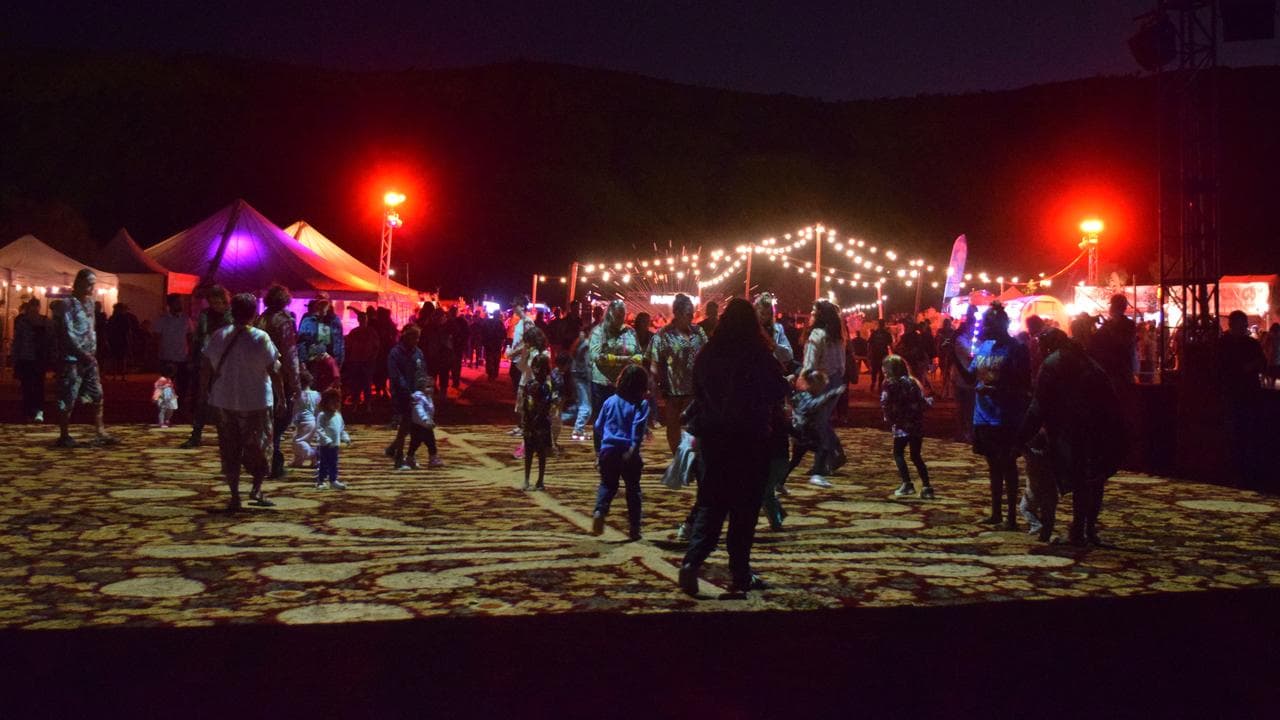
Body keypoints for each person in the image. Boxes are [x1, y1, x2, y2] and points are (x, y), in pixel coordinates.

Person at [679, 298, 790, 597]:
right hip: (750, 439)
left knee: (711, 504)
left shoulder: (707, 354)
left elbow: (698, 393)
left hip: (714, 439)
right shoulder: (757, 353)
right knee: (744, 509)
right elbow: (778, 389)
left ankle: (691, 563)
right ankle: (740, 572)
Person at [1019, 329, 1125, 544]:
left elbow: (1039, 405)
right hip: (1098, 427)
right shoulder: (1087, 361)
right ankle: (1088, 529)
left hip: (1072, 429)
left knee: (1079, 480)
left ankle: (1077, 531)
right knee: (1093, 481)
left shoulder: (1052, 363)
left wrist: (1022, 435)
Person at [954, 302, 1031, 530]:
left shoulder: (1017, 349)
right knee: (992, 465)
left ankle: (1011, 516)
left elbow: (1024, 385)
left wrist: (996, 390)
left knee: (1008, 465)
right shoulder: (983, 347)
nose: (984, 327)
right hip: (983, 414)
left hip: (1006, 415)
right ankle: (996, 512)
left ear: (1001, 324)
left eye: (988, 323)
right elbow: (970, 378)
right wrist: (953, 356)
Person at [203, 292, 282, 511]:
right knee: (260, 447)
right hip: (256, 401)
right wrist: (282, 398)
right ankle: (256, 488)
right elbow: (274, 370)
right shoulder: (260, 338)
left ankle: (235, 495)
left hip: (224, 400)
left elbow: (206, 368)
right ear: (254, 313)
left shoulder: (219, 335)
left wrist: (203, 396)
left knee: (229, 449)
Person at [52, 270, 117, 447]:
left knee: (97, 394)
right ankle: (64, 434)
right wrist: (81, 353)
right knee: (68, 395)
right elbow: (67, 331)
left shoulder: (89, 304)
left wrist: (93, 351)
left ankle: (100, 431)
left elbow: (91, 329)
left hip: (89, 357)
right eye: (89, 283)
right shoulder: (67, 304)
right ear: (78, 282)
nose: (92, 287)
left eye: (93, 284)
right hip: (72, 358)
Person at [590, 364, 651, 540]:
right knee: (633, 489)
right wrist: (633, 449)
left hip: (608, 450)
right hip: (628, 451)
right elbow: (637, 430)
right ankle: (634, 528)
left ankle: (600, 511)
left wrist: (600, 451)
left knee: (607, 485)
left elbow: (598, 427)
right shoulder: (641, 404)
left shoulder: (610, 401)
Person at [649, 294, 709, 455]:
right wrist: (656, 384)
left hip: (695, 389)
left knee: (695, 426)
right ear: (677, 313)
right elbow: (654, 363)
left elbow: (709, 354)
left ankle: (692, 456)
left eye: (692, 314)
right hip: (672, 390)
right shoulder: (663, 334)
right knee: (674, 426)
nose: (691, 317)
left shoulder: (698, 332)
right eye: (687, 314)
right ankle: (678, 457)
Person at [255, 284, 300, 478]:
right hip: (279, 376)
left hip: (259, 376)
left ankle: (264, 460)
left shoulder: (260, 319)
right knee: (279, 421)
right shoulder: (283, 322)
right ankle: (274, 462)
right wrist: (295, 381)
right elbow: (289, 355)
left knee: (264, 422)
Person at [1217, 310, 1267, 488]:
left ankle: (1242, 468)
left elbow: (1262, 363)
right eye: (1242, 324)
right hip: (1236, 393)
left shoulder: (1241, 343)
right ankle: (1238, 469)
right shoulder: (1227, 344)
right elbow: (1223, 369)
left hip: (1245, 393)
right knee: (1238, 431)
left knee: (1243, 431)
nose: (1244, 328)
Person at [588, 299, 642, 454]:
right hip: (603, 383)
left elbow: (638, 354)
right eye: (618, 315)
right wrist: (624, 360)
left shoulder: (630, 332)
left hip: (624, 384)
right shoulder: (599, 332)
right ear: (610, 314)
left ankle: (619, 452)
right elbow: (596, 357)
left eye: (623, 315)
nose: (621, 319)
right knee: (602, 420)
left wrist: (630, 360)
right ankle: (600, 453)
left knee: (624, 419)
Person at [180, 285, 231, 448]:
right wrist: (192, 358)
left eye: (218, 302)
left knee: (228, 402)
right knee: (201, 399)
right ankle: (196, 434)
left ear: (225, 301)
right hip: (205, 361)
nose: (216, 305)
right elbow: (198, 338)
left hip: (227, 364)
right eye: (213, 302)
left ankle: (228, 435)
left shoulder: (231, 316)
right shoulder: (205, 315)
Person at [802, 300, 847, 476]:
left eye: (813, 312)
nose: (810, 316)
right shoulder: (837, 336)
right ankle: (832, 456)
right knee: (822, 421)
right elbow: (841, 364)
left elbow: (810, 362)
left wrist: (805, 379)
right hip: (835, 379)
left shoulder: (817, 335)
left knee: (818, 422)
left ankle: (828, 458)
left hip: (820, 380)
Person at [880, 355, 934, 499]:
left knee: (898, 453)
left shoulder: (890, 384)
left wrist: (889, 418)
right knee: (916, 456)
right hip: (916, 424)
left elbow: (885, 402)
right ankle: (927, 486)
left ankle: (907, 483)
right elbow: (922, 401)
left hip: (901, 425)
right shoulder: (913, 382)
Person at [785, 370, 846, 488]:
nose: (822, 389)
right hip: (804, 432)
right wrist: (830, 395)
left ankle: (779, 482)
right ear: (811, 384)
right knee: (822, 449)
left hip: (806, 431)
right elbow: (811, 406)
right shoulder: (804, 396)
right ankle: (816, 475)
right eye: (820, 386)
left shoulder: (808, 395)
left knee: (796, 460)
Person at [386, 324, 427, 468]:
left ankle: (393, 449)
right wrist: (406, 391)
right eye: (414, 337)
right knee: (406, 423)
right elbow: (395, 375)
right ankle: (399, 456)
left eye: (418, 338)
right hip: (401, 394)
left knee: (410, 425)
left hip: (415, 394)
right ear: (406, 336)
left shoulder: (418, 353)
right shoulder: (395, 353)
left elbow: (422, 371)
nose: (416, 340)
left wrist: (422, 388)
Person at [12, 298, 51, 423]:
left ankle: (30, 411)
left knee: (28, 386)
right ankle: (37, 411)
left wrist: (15, 358)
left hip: (27, 358)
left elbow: (17, 342)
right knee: (36, 386)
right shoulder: (44, 321)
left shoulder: (22, 322)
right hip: (36, 358)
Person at [521, 354, 557, 491]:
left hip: (541, 423)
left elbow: (545, 405)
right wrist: (525, 420)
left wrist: (535, 419)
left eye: (541, 368)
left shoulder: (546, 387)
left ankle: (540, 480)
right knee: (529, 452)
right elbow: (525, 402)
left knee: (541, 453)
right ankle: (526, 479)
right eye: (535, 367)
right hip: (530, 421)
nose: (537, 371)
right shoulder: (529, 384)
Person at [153, 293, 193, 405]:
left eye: (181, 302)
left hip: (182, 357)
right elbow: (156, 338)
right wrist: (156, 354)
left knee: (183, 384)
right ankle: (165, 405)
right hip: (167, 357)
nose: (180, 304)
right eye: (177, 302)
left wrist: (190, 354)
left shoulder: (186, 319)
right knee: (166, 384)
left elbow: (190, 337)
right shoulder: (162, 319)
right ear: (170, 304)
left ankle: (179, 405)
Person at [343, 308, 381, 413]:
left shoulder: (371, 332)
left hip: (366, 361)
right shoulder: (354, 332)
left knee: (366, 383)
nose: (363, 320)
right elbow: (349, 345)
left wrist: (373, 357)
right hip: (357, 360)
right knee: (357, 384)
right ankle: (356, 404)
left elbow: (376, 347)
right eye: (362, 318)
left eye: (364, 318)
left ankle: (367, 404)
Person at [314, 387, 351, 490]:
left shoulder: (338, 416)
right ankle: (320, 481)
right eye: (333, 402)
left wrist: (346, 438)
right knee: (323, 464)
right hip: (325, 445)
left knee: (334, 463)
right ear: (325, 402)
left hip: (335, 445)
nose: (336, 404)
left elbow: (341, 429)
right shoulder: (322, 415)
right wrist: (326, 440)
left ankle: (333, 480)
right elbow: (319, 429)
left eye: (337, 402)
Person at [297, 292, 345, 371]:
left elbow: (339, 343)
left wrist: (338, 363)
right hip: (312, 362)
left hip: (328, 362)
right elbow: (301, 340)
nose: (319, 302)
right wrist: (302, 361)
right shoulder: (308, 318)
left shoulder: (333, 320)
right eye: (317, 299)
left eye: (322, 299)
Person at [404, 377, 443, 469]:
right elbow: (419, 410)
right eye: (428, 387)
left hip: (425, 425)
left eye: (432, 387)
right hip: (418, 425)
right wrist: (425, 419)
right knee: (415, 443)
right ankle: (410, 458)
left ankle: (432, 458)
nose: (431, 389)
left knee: (430, 442)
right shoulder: (419, 398)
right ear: (421, 388)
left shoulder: (427, 397)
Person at [291, 369, 321, 468]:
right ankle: (299, 461)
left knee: (298, 442)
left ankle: (314, 454)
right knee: (305, 441)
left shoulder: (299, 395)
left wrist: (293, 422)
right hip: (313, 421)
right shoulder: (316, 394)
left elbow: (296, 409)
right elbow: (318, 410)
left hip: (304, 422)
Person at [867, 319, 893, 392]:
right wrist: (893, 353)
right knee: (882, 371)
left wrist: (869, 353)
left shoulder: (874, 333)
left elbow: (869, 344)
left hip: (875, 354)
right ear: (884, 325)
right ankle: (879, 386)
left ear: (878, 325)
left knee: (874, 371)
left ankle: (873, 383)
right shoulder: (887, 334)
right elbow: (890, 345)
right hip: (883, 355)